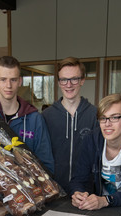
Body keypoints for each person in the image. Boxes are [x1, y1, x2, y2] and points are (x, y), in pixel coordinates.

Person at [69, 93, 121, 211]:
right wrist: (78, 194)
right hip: (98, 208)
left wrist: (105, 200)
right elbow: (78, 179)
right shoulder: (91, 139)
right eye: (103, 118)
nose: (107, 124)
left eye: (114, 117)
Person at [0, 56, 54, 172]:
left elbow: (47, 164)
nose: (8, 85)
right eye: (3, 79)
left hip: (27, 187)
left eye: (13, 79)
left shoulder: (35, 120)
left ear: (20, 81)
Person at [42, 57, 98, 192]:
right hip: (53, 191)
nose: (69, 85)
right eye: (64, 80)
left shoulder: (95, 115)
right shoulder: (46, 116)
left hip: (86, 192)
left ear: (82, 81)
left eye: (74, 79)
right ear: (59, 82)